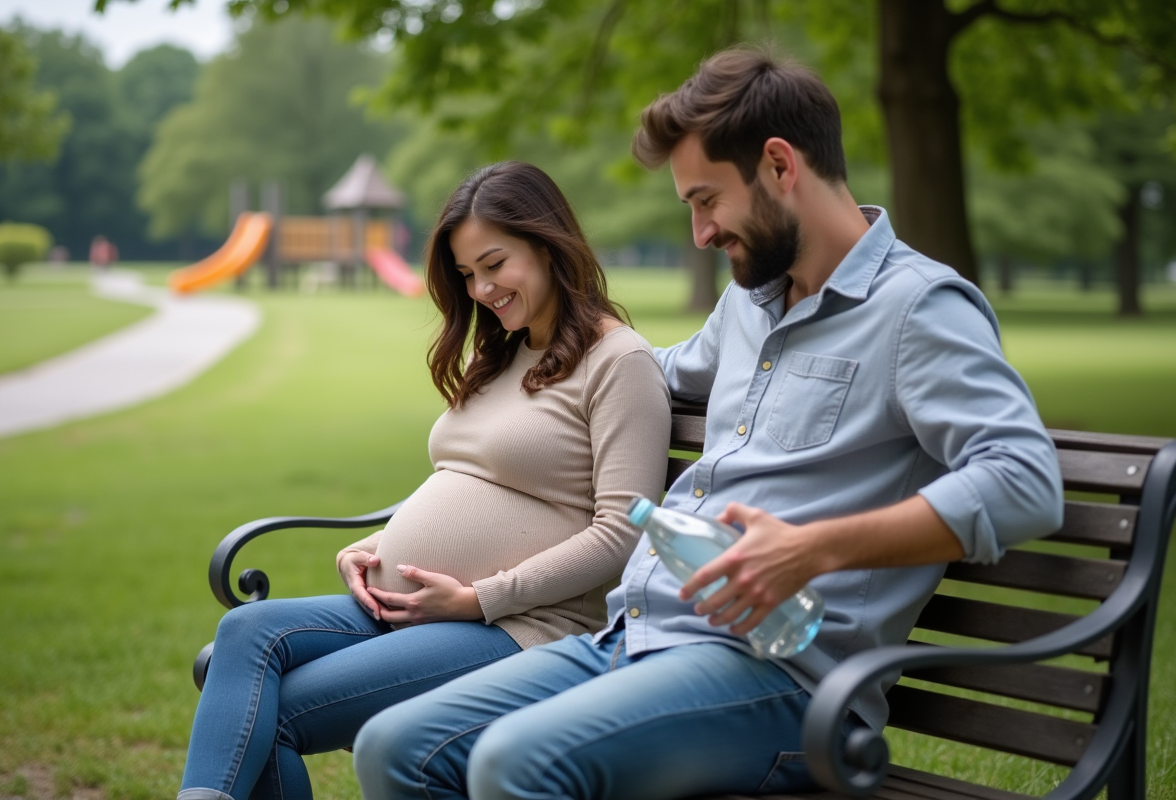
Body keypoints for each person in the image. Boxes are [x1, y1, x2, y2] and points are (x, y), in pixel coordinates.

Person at [351, 48, 1064, 800]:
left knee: (516, 762)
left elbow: (1024, 479)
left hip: (785, 680)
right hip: (637, 635)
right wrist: (519, 378)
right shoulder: (749, 306)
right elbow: (635, 370)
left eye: (705, 200)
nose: (698, 233)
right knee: (396, 746)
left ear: (780, 166)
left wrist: (809, 549)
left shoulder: (918, 310)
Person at [176, 162, 671, 800]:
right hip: (413, 609)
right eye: (467, 275)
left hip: (519, 627)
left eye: (495, 264)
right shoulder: (506, 351)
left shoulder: (620, 363)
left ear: (549, 245)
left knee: (268, 714)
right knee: (244, 635)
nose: (482, 289)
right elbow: (468, 478)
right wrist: (379, 546)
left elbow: (623, 534)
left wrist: (480, 598)